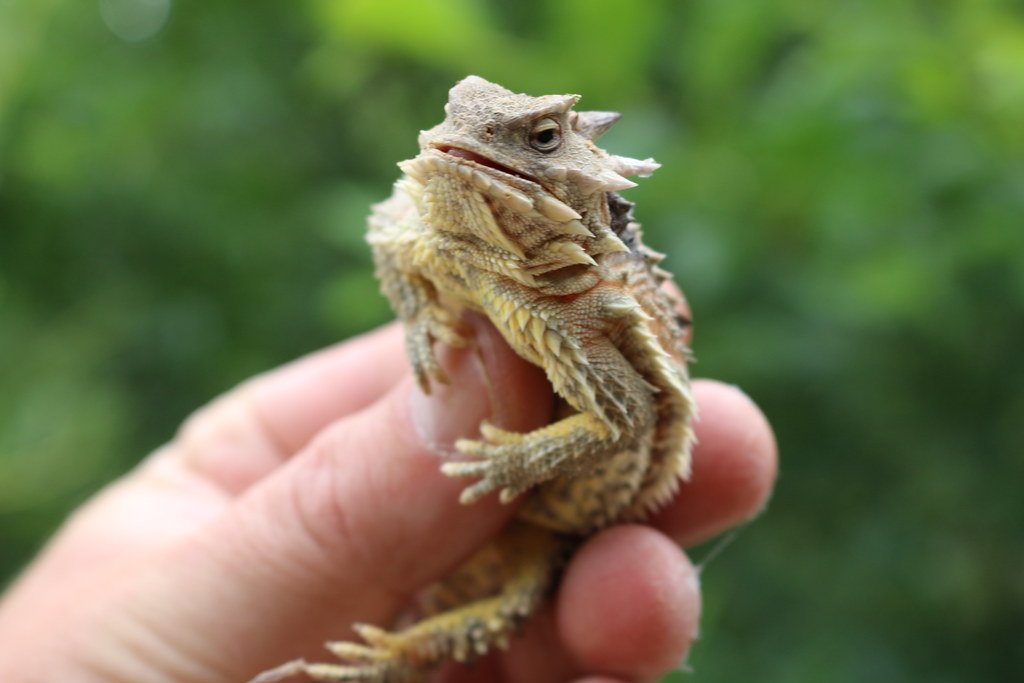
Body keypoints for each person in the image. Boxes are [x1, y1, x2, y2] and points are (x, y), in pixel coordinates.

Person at [0, 316, 777, 683]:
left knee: (523, 599)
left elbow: (622, 413)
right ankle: (398, 657)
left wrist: (518, 454)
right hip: (500, 522)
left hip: (551, 527)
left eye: (540, 138)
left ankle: (402, 657)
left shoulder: (588, 287)